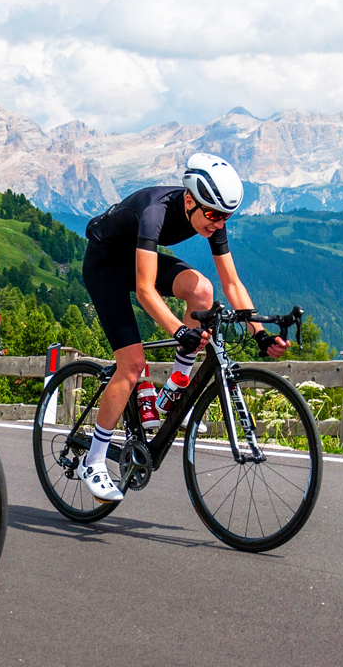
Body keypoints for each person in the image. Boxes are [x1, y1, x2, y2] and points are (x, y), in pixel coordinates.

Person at [78, 153, 289, 502]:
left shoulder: (210, 216)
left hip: (131, 260)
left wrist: (260, 334)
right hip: (103, 265)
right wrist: (180, 330)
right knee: (130, 367)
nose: (218, 224)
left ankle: (175, 389)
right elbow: (145, 292)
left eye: (226, 217)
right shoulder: (154, 212)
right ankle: (94, 460)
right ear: (189, 200)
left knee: (203, 290)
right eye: (212, 215)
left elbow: (231, 284)